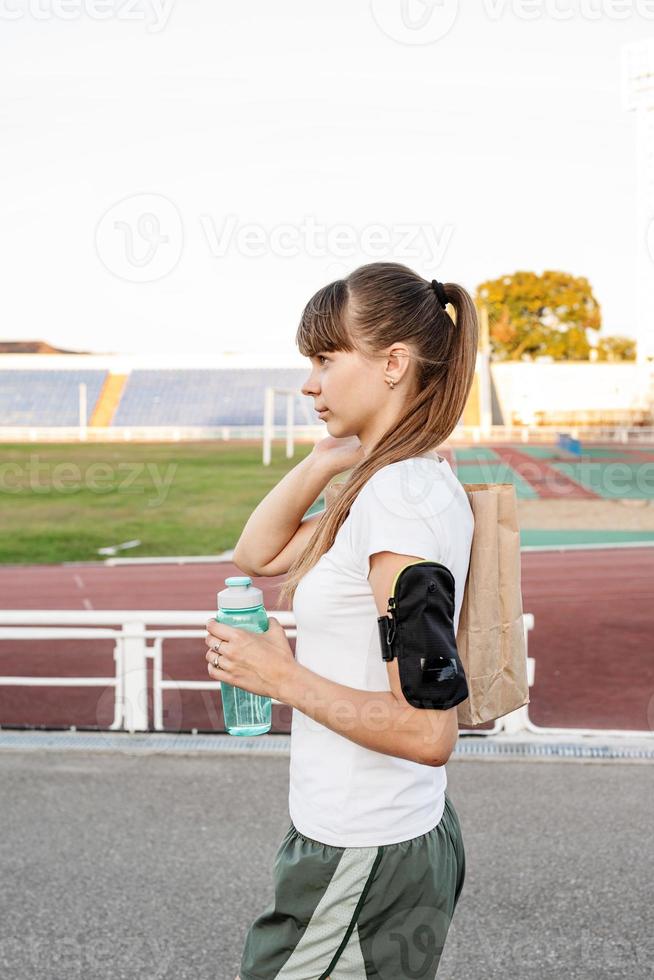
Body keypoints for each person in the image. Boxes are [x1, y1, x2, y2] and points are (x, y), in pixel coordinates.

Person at [208, 261, 478, 980]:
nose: (309, 382)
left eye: (326, 358)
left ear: (393, 363)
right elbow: (257, 552)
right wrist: (327, 460)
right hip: (367, 842)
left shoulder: (399, 503)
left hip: (363, 852)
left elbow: (428, 730)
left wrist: (282, 677)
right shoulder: (384, 487)